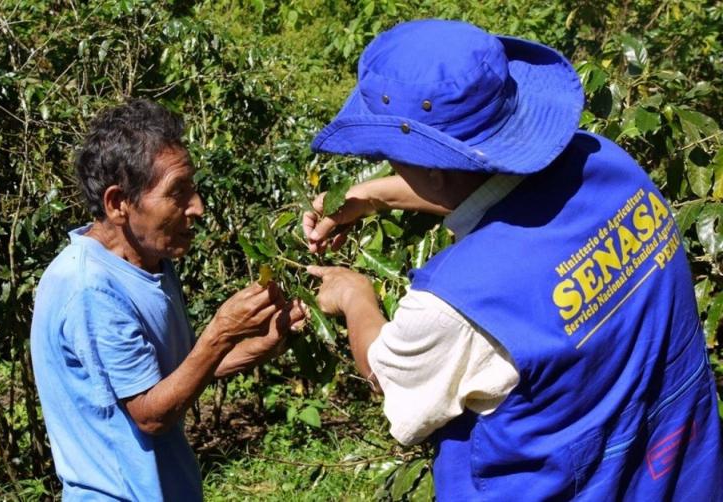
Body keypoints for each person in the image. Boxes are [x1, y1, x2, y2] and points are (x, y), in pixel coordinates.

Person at [303, 19, 722, 499]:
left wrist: (354, 297)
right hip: (678, 474)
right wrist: (374, 197)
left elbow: (388, 374)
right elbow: (494, 186)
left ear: (434, 168)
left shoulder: (458, 303)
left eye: (392, 155)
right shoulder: (611, 167)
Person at [30, 99, 306, 501]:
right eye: (178, 192)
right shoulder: (90, 289)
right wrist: (221, 331)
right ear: (118, 203)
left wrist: (259, 343)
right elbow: (151, 414)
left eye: (193, 187)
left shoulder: (151, 260)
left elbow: (176, 374)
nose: (197, 207)